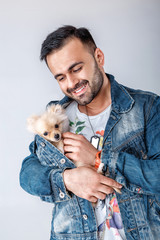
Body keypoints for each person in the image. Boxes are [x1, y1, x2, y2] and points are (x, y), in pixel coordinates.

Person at [20, 25, 160, 240]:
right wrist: (67, 180)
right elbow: (28, 174)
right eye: (61, 77)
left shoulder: (147, 107)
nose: (71, 83)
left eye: (76, 69)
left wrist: (99, 159)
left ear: (99, 57)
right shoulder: (56, 117)